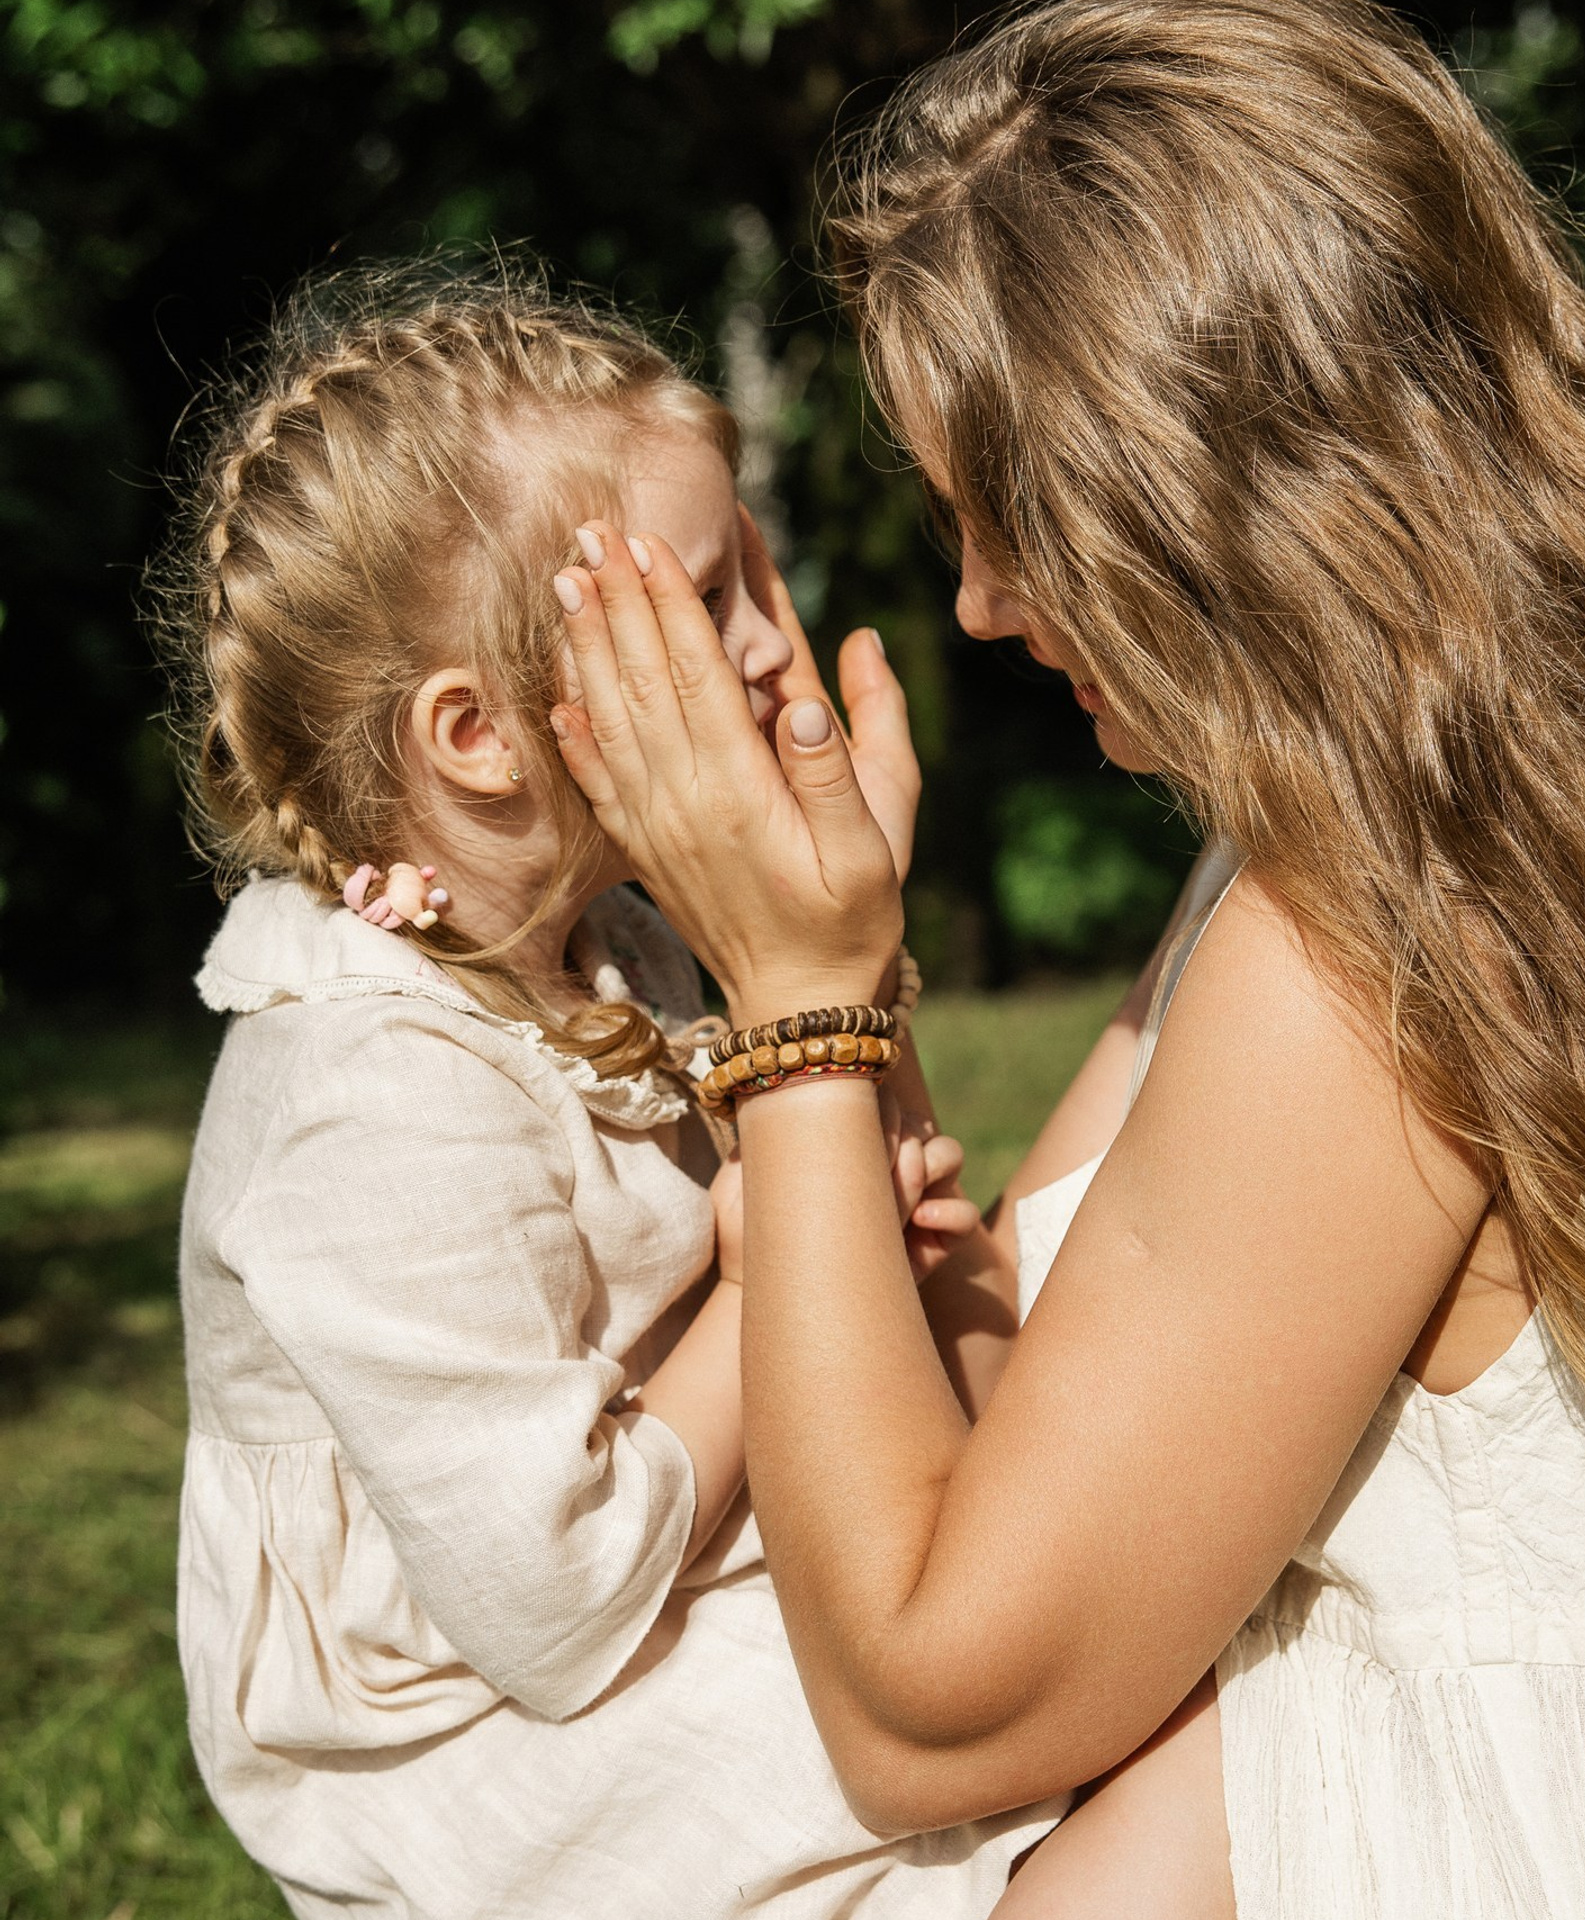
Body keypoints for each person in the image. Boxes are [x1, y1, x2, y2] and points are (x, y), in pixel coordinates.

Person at [545, 2, 1585, 1914]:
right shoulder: (1505, 808)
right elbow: (1028, 1415)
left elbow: (935, 1708)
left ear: (1213, 485)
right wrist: (854, 994)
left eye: (1011, 517)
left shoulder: (1370, 956)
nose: (981, 603)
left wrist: (792, 1017)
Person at [159, 263, 1060, 1917]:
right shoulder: (369, 1098)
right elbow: (555, 1604)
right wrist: (776, 1259)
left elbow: (844, 1194)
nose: (768, 654)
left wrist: (846, 951)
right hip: (475, 1728)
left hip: (671, 1552)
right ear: (482, 736)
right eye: (704, 599)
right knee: (1035, 1761)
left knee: (1053, 1622)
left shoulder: (611, 936)